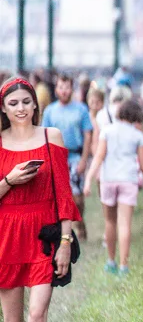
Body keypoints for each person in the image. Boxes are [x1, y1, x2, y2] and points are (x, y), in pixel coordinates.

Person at [0, 77, 81, 322]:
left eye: (26, 102)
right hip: (6, 237)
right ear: (3, 108)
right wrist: (9, 181)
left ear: (36, 104)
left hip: (42, 238)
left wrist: (65, 243)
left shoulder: (52, 138)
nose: (21, 108)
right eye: (13, 103)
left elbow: (64, 196)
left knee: (37, 318)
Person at [84, 99, 143, 275]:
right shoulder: (137, 135)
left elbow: (99, 157)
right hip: (128, 180)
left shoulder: (107, 131)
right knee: (124, 224)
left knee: (110, 222)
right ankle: (124, 265)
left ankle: (111, 261)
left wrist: (88, 179)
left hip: (108, 180)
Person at [41, 74, 93, 240]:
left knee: (77, 197)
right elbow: (45, 135)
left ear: (72, 89)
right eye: (61, 88)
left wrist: (84, 159)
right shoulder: (50, 111)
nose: (64, 91)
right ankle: (66, 232)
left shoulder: (81, 109)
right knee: (61, 197)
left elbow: (87, 135)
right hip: (57, 157)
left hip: (75, 156)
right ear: (56, 90)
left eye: (67, 87)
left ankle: (80, 222)